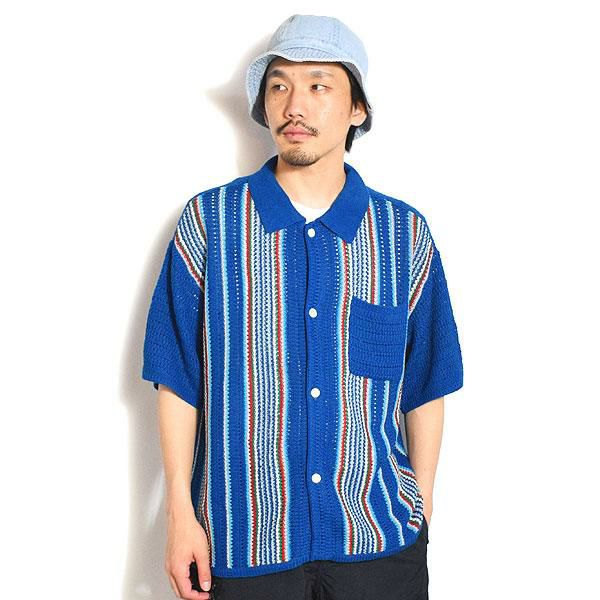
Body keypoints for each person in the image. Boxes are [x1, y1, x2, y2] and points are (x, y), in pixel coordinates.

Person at [141, 13, 463, 600]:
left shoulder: (403, 235)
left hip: (380, 544)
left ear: (357, 108)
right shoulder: (210, 224)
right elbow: (177, 378)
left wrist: (422, 506)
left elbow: (426, 383)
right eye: (280, 86)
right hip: (242, 543)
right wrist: (180, 516)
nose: (296, 106)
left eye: (319, 85)